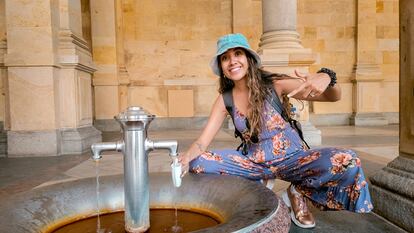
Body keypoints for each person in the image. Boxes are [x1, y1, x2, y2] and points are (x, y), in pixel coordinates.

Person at [178, 33, 373, 229]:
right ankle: (254, 188)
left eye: (238, 54)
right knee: (198, 162)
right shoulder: (225, 99)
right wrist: (186, 157)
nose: (232, 61)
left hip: (293, 159)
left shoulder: (274, 84)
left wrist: (326, 77)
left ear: (249, 59)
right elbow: (202, 143)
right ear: (221, 66)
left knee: (347, 160)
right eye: (225, 57)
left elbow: (332, 97)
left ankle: (297, 192)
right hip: (253, 162)